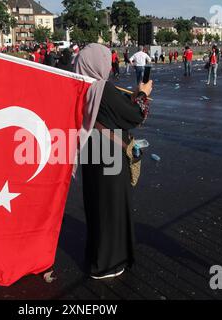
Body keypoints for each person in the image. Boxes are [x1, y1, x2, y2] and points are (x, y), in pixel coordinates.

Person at [74, 43, 153, 280]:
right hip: (108, 153)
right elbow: (134, 116)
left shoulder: (82, 86)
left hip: (91, 150)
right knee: (112, 206)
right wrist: (143, 94)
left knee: (97, 204)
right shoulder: (102, 88)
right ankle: (107, 263)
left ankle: (98, 256)